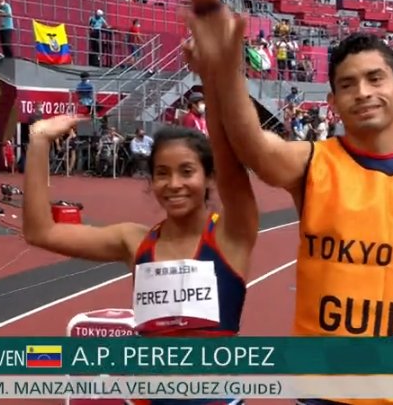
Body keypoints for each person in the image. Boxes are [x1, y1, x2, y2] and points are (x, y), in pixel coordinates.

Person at [182, 0, 393, 405]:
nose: (363, 92)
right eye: (348, 85)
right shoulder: (312, 163)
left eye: (374, 78)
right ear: (332, 101)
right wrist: (227, 69)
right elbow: (252, 145)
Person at [22, 92, 259, 404]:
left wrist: (214, 72)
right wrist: (39, 141)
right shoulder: (134, 242)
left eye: (187, 171)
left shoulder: (232, 235)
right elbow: (40, 231)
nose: (174, 184)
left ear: (210, 177)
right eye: (162, 173)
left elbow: (236, 152)